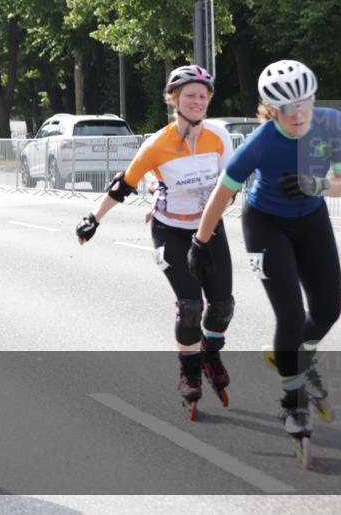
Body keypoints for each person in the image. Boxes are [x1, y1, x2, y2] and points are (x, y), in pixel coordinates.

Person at [189, 60, 341, 455]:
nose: (297, 115)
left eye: (303, 104)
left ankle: (300, 355)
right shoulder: (261, 142)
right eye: (285, 108)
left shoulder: (330, 124)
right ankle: (292, 402)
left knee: (329, 308)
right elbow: (222, 192)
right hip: (265, 225)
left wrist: (316, 184)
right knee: (292, 316)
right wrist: (200, 241)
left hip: (312, 217)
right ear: (270, 109)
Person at [76, 65, 236, 420]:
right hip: (171, 232)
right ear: (174, 99)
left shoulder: (220, 137)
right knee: (191, 305)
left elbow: (231, 183)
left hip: (209, 230)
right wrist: (93, 219)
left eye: (202, 96)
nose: (197, 101)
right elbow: (124, 184)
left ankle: (210, 349)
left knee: (222, 305)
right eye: (189, 95)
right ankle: (190, 370)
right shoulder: (157, 144)